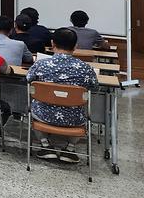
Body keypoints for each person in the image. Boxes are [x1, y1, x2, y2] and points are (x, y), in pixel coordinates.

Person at [26, 27, 98, 163]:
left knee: (32, 105)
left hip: (43, 115)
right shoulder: (85, 68)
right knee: (82, 107)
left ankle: (45, 145)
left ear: (52, 44)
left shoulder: (40, 64)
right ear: (76, 46)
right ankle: (70, 149)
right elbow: (94, 86)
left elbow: (28, 79)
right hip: (74, 118)